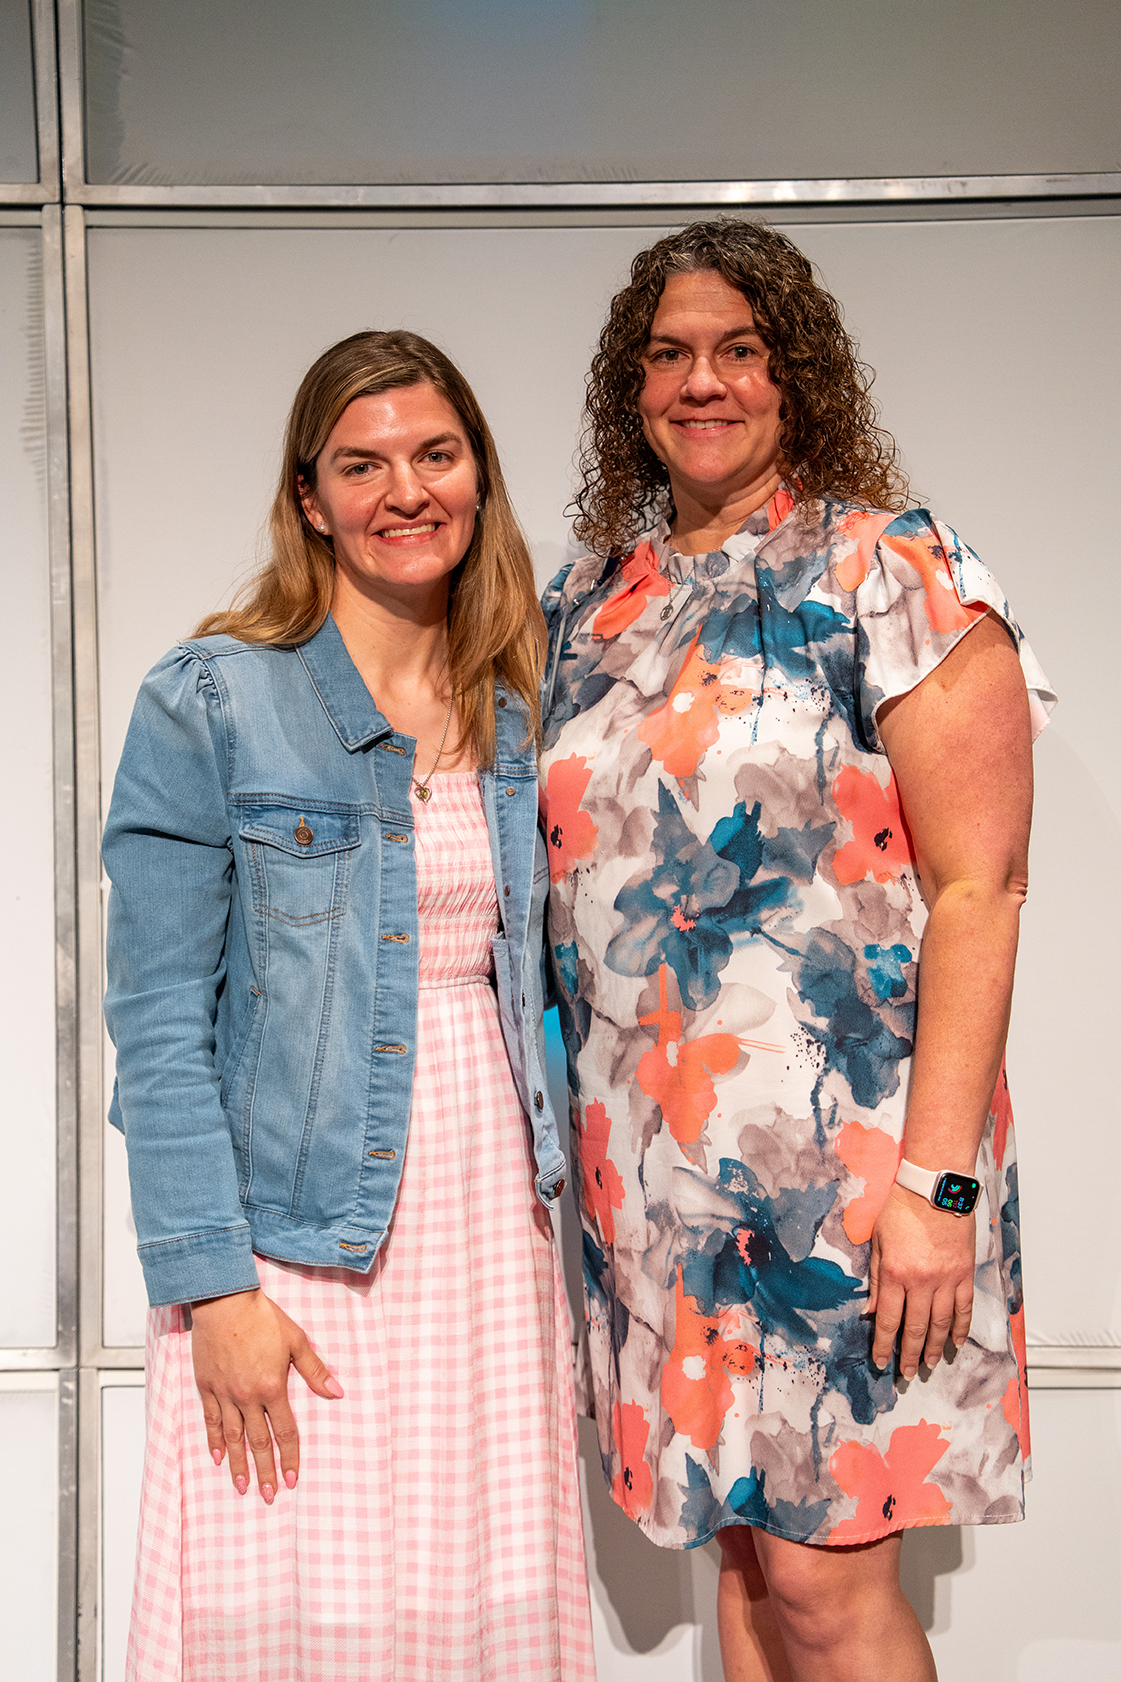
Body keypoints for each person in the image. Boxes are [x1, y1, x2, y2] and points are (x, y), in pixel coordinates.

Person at [539, 220, 1054, 1682]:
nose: (701, 382)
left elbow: (981, 890)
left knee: (829, 1596)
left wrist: (937, 1188)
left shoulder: (892, 570)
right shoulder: (590, 603)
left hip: (851, 1184)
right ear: (631, 387)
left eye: (740, 351)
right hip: (656, 1188)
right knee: (751, 1580)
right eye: (669, 354)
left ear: (797, 375)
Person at [103, 329, 596, 1681]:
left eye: (436, 454)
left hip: (487, 1227)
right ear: (310, 498)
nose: (406, 490)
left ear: (478, 476)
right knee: (287, 1602)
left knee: (472, 1593)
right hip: (289, 1235)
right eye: (362, 465)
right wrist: (213, 1287)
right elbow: (157, 1021)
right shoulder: (213, 698)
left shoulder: (524, 698)